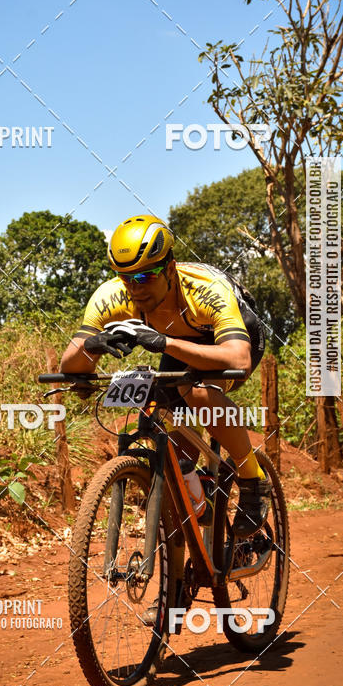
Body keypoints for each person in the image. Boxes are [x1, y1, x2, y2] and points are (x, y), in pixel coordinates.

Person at [59, 214, 271, 538]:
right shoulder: (111, 296)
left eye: (145, 276)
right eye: (125, 277)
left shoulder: (206, 291)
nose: (134, 288)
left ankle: (252, 477)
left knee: (196, 392)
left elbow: (238, 358)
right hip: (178, 342)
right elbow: (71, 364)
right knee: (160, 410)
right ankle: (195, 491)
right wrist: (91, 345)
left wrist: (165, 343)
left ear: (170, 269)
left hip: (231, 339)